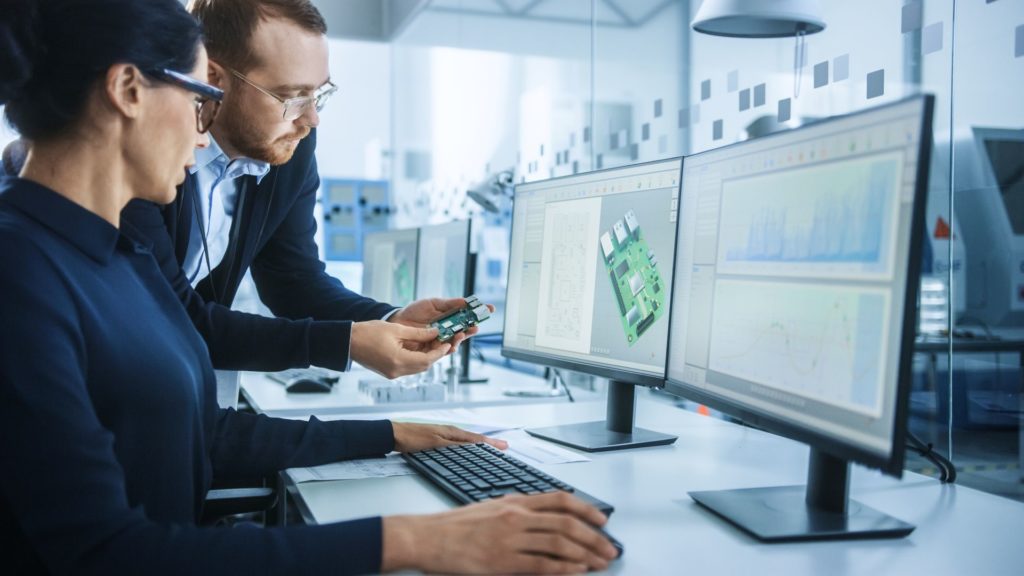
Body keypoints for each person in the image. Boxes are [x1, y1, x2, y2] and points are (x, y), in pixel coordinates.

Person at [0, 1, 618, 574]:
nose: (200, 130)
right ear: (128, 91)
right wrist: (418, 540)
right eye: (197, 99)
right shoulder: (24, 272)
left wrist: (390, 432)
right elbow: (106, 553)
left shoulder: (120, 254)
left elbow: (200, 428)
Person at [120, 0, 473, 381]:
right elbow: (171, 314)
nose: (311, 119)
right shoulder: (147, 157)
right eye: (292, 97)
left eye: (319, 94)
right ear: (213, 77)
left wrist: (390, 320)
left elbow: (293, 280)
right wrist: (345, 343)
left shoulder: (290, 149)